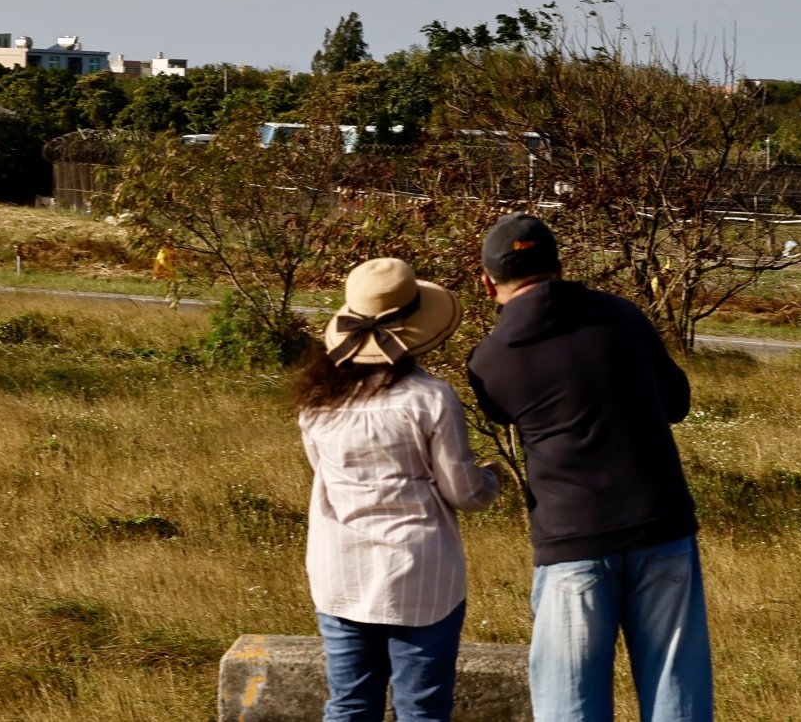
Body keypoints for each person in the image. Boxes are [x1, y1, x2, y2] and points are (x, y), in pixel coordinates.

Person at [465, 214, 713, 722]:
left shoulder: (490, 360)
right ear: (559, 265)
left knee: (571, 704)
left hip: (572, 538)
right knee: (677, 691)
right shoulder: (622, 315)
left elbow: (501, 412)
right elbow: (676, 401)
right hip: (660, 522)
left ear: (486, 282)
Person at [296, 257, 502, 722]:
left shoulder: (316, 403)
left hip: (340, 575)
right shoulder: (429, 399)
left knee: (348, 706)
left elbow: (322, 474)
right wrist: (492, 477)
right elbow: (463, 492)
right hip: (420, 577)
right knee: (423, 711)